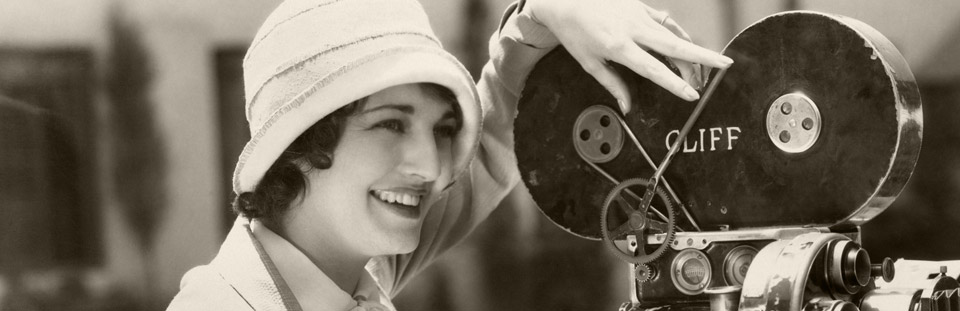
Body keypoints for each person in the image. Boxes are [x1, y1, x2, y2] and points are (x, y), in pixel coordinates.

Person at [167, 0, 730, 309]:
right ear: (298, 145)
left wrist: (544, 13)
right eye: (389, 123)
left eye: (441, 130)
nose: (434, 169)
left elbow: (496, 133)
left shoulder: (352, 265)